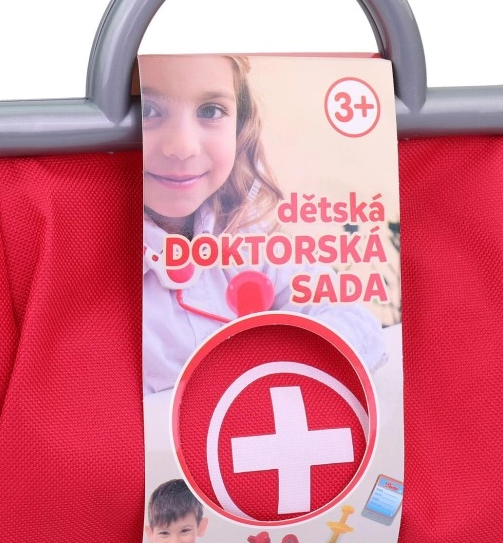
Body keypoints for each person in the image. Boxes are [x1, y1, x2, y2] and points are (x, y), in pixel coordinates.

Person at [141, 54, 386, 394]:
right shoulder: (85, 266)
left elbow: (357, 321)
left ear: (241, 127)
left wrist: (273, 367)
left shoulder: (249, 236)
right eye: (147, 110)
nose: (182, 147)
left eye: (211, 111)